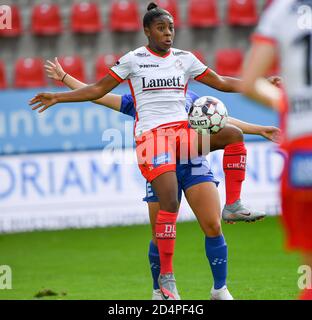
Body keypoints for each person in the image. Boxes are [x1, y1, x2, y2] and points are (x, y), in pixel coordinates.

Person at [29, 2, 279, 300]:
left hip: (186, 141)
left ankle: (233, 209)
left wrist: (259, 86)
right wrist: (61, 95)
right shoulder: (133, 62)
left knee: (233, 137)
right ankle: (165, 279)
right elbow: (99, 91)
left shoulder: (186, 65)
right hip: (154, 141)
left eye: (171, 28)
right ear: (147, 30)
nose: (168, 33)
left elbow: (222, 88)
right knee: (169, 204)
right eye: (161, 28)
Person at [241, 0, 312, 300]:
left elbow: (250, 83)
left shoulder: (281, 10)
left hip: (303, 148)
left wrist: (289, 105)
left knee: (309, 271)